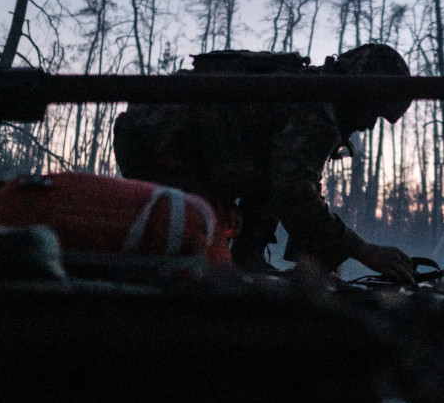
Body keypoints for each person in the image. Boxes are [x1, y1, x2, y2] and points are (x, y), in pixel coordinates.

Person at [113, 43, 415, 284]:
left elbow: (282, 181)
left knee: (213, 253)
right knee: (190, 258)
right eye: (374, 111)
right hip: (156, 148)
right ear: (359, 94)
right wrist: (362, 250)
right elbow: (294, 195)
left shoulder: (312, 95)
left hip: (156, 141)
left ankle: (246, 259)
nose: (371, 125)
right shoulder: (316, 110)